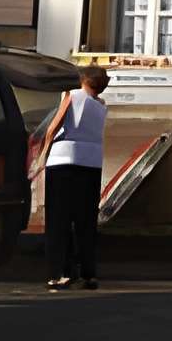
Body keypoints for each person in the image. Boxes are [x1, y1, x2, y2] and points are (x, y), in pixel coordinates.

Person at [39, 65, 110, 291]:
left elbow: (53, 127)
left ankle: (60, 272)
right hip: (91, 162)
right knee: (85, 220)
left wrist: (42, 155)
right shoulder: (101, 106)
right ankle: (87, 273)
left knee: (59, 219)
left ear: (83, 80)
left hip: (63, 161)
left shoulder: (72, 95)